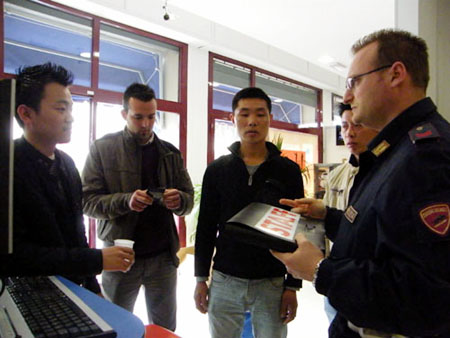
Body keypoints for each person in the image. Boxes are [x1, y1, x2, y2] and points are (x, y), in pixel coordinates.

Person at [272, 29, 450, 337]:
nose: (348, 97)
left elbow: (427, 296)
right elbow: (380, 239)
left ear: (396, 74)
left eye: (355, 81)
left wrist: (320, 271)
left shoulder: (427, 156)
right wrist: (328, 216)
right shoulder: (393, 150)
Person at [6, 62, 134, 290]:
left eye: (71, 109)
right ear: (26, 113)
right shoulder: (9, 165)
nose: (70, 118)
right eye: (61, 109)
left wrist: (94, 290)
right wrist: (97, 259)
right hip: (29, 293)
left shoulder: (66, 163)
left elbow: (77, 235)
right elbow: (16, 255)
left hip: (72, 290)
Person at [82, 83, 193, 331]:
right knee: (116, 329)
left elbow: (189, 199)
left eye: (152, 117)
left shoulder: (170, 153)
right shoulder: (103, 149)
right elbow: (87, 202)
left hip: (163, 259)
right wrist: (126, 200)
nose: (146, 124)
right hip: (120, 257)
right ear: (124, 114)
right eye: (138, 117)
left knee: (165, 329)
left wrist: (180, 201)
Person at [194, 87, 304, 338]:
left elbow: (297, 229)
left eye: (260, 114)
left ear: (270, 119)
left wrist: (292, 286)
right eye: (244, 114)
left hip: (272, 280)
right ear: (233, 119)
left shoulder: (288, 171)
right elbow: (206, 227)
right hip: (225, 278)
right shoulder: (217, 170)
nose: (252, 121)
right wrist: (201, 278)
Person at [322, 102, 378, 323]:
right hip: (337, 267)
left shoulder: (385, 173)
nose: (350, 133)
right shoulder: (336, 175)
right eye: (344, 126)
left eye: (358, 125)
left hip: (369, 275)